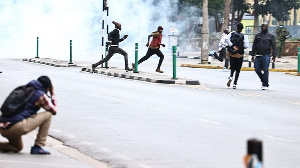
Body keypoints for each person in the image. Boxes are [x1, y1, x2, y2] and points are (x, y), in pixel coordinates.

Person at [0, 76, 57, 154]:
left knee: (17, 147)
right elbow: (54, 111)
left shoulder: (23, 89)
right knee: (48, 115)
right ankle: (38, 146)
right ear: (47, 87)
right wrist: (52, 94)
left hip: (3, 128)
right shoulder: (40, 94)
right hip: (16, 126)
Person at [251, 23, 276, 90]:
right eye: (262, 26)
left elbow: (274, 46)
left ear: (267, 27)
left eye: (265, 26)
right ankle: (263, 80)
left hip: (266, 56)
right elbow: (254, 45)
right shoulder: (257, 36)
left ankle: (265, 84)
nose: (264, 28)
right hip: (258, 56)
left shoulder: (270, 36)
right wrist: (252, 55)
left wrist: (274, 55)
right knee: (257, 69)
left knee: (265, 70)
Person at [226, 23, 249, 89]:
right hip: (240, 54)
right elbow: (246, 45)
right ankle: (235, 83)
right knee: (238, 69)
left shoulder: (232, 33)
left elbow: (227, 40)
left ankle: (231, 76)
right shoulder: (244, 36)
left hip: (232, 53)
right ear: (242, 28)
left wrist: (233, 46)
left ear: (236, 27)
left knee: (232, 67)